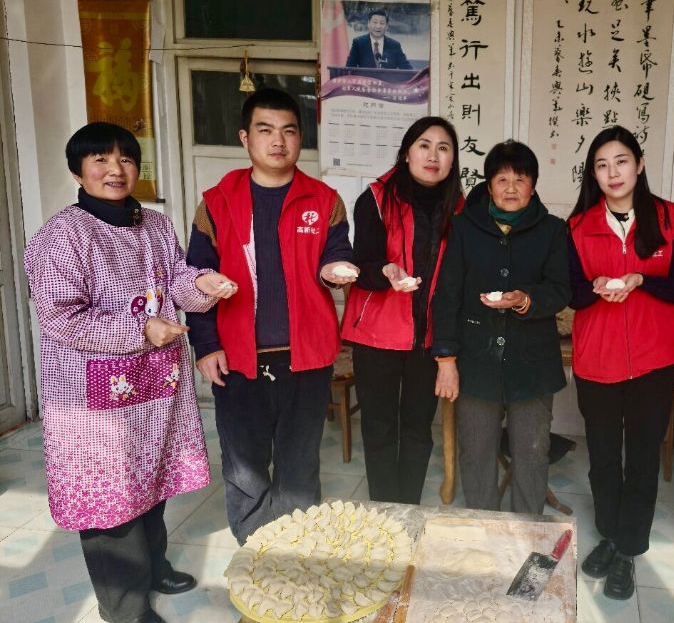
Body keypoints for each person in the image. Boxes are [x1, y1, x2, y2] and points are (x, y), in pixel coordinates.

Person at [24, 122, 238, 623]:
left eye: (125, 159)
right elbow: (61, 318)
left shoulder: (155, 224)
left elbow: (177, 280)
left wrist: (203, 283)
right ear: (77, 171)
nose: (115, 170)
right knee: (109, 499)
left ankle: (153, 567)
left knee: (150, 481)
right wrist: (141, 329)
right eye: (100, 159)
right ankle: (124, 607)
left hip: (153, 386)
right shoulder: (62, 236)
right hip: (91, 399)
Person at [186, 87, 357, 544]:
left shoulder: (324, 200)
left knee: (299, 465)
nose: (278, 141)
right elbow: (196, 279)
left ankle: (295, 555)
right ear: (245, 137)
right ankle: (255, 554)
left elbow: (337, 253)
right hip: (237, 358)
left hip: (306, 357)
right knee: (245, 468)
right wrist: (206, 345)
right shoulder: (217, 202)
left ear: (300, 138)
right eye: (265, 130)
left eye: (288, 131)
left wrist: (336, 269)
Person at [567, 125, 674, 600]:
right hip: (597, 358)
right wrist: (596, 287)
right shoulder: (577, 226)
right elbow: (571, 292)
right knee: (603, 456)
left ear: (639, 165)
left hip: (653, 359)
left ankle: (629, 547)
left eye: (621, 161)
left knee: (642, 456)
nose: (612, 173)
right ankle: (609, 533)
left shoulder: (671, 218)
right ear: (593, 174)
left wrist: (642, 279)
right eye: (601, 165)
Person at [432, 140, 570, 514]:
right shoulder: (464, 228)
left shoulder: (552, 230)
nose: (511, 188)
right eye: (502, 179)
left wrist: (526, 299)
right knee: (476, 452)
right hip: (476, 360)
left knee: (532, 453)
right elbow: (447, 295)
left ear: (533, 186)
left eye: (520, 180)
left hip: (533, 362)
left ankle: (526, 529)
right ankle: (483, 528)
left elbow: (561, 289)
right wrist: (446, 357)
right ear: (489, 185)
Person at [340, 116, 463, 504]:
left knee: (417, 429)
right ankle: (384, 511)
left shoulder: (459, 208)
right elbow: (361, 266)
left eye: (443, 148)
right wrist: (385, 271)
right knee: (379, 428)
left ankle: (407, 509)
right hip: (377, 335)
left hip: (428, 338)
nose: (433, 156)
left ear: (453, 160)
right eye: (424, 145)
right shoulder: (376, 199)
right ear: (407, 152)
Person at [345, 9, 412, 70]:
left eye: (382, 23)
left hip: (387, 80)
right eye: (375, 22)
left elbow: (408, 70)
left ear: (386, 26)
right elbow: (348, 69)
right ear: (368, 24)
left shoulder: (395, 45)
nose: (378, 26)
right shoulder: (358, 43)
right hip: (365, 80)